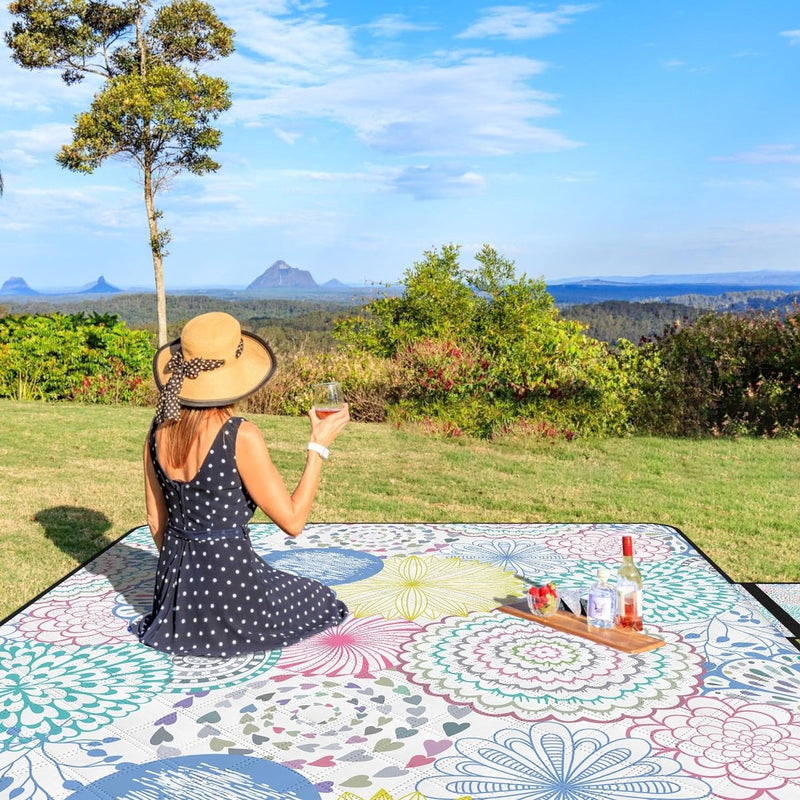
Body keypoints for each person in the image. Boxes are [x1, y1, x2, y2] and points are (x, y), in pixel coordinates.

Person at [132, 311, 350, 657]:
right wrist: (318, 445)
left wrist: (186, 581)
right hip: (233, 594)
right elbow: (293, 522)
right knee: (319, 596)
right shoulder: (238, 435)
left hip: (175, 601)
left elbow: (156, 522)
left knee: (286, 583)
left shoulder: (156, 432)